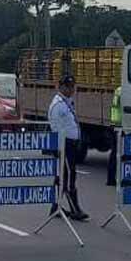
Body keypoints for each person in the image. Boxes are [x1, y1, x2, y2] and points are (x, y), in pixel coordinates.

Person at [48, 74, 88, 220]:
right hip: (64, 145)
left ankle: (55, 206)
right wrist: (60, 148)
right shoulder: (58, 105)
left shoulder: (67, 102)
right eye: (69, 86)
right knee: (69, 176)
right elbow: (56, 127)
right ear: (61, 87)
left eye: (73, 86)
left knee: (63, 176)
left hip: (70, 144)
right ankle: (74, 208)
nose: (72, 89)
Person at [107, 85, 122, 186]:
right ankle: (113, 179)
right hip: (119, 124)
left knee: (115, 154)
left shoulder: (119, 90)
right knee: (118, 154)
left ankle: (111, 179)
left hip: (115, 124)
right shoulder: (123, 91)